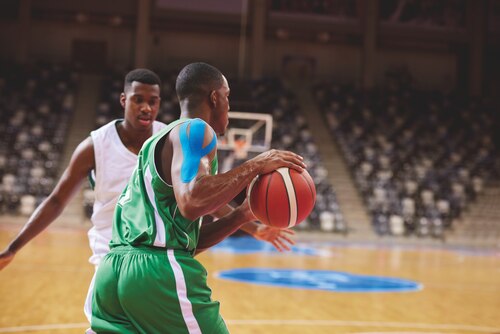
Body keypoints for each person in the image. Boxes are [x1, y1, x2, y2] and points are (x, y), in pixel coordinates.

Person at [0, 68, 294, 323]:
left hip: (123, 264)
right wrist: (14, 247)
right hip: (128, 257)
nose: (146, 108)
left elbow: (193, 220)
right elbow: (194, 201)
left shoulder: (162, 137)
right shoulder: (108, 143)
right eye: (138, 100)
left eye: (153, 101)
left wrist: (248, 220)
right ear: (123, 100)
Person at [90, 62, 306, 333]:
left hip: (114, 272)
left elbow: (184, 243)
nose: (228, 105)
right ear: (215, 97)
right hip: (156, 275)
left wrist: (242, 215)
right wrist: (258, 163)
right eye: (227, 97)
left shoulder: (154, 142)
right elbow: (192, 202)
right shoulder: (196, 130)